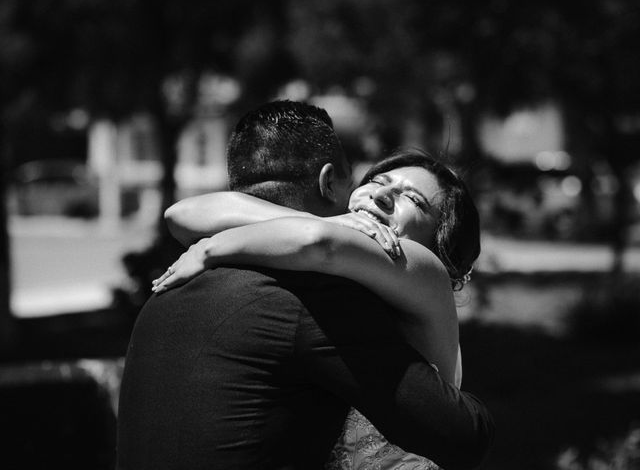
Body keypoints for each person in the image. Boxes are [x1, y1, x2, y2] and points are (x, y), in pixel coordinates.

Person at [117, 100, 493, 470]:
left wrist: (211, 247)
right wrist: (333, 225)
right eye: (377, 181)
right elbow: (183, 213)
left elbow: (319, 243)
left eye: (413, 199)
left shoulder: (425, 270)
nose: (381, 194)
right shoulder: (340, 281)